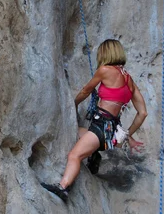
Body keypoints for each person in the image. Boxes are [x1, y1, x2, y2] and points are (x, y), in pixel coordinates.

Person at [42, 39, 148, 202]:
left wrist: (73, 104)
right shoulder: (129, 80)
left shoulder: (105, 70)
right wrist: (127, 135)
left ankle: (63, 188)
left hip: (100, 127)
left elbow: (86, 90)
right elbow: (142, 113)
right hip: (111, 133)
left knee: (74, 156)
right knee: (76, 132)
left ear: (105, 53)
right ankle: (94, 155)